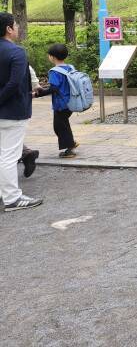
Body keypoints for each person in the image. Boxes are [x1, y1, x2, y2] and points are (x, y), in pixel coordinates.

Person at [0, 12, 43, 211]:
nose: (17, 28)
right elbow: (15, 83)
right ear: (9, 29)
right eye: (15, 25)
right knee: (9, 156)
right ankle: (12, 199)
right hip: (12, 112)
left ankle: (5, 193)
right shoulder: (16, 52)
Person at [34, 43, 79, 158]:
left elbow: (54, 88)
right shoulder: (70, 67)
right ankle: (71, 143)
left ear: (52, 57)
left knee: (59, 126)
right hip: (71, 102)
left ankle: (69, 149)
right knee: (63, 125)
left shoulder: (54, 71)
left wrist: (38, 94)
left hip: (61, 104)